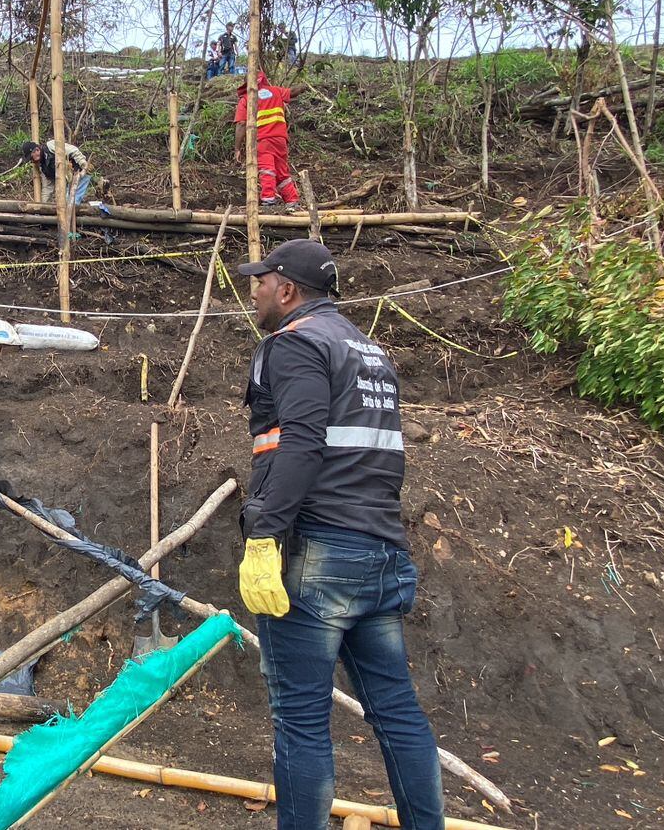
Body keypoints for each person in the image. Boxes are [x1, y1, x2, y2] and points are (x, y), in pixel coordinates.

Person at [235, 239, 445, 830]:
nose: (253, 290)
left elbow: (301, 441)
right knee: (397, 712)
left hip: (319, 553)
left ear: (288, 290)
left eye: (261, 280)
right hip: (380, 551)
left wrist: (264, 536)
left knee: (300, 720)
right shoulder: (369, 351)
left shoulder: (294, 344)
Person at [234, 71, 301, 209]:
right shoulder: (276, 91)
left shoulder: (246, 99)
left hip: (262, 140)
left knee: (267, 170)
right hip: (281, 139)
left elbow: (241, 124)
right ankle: (292, 200)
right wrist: (304, 86)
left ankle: (268, 200)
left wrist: (237, 148)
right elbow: (293, 92)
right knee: (282, 171)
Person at [21, 139, 92, 204]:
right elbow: (47, 187)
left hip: (79, 173)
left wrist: (84, 164)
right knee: (65, 202)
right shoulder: (43, 166)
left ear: (36, 150)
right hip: (68, 180)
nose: (31, 161)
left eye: (31, 158)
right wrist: (43, 205)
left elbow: (73, 151)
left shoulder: (50, 146)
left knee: (71, 202)